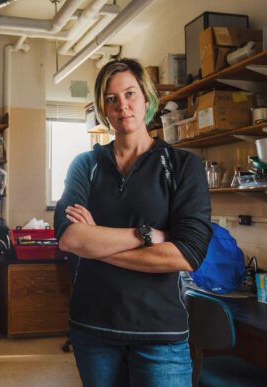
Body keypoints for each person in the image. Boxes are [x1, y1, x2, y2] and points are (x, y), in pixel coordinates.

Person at [54, 58, 212, 387]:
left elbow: (187, 254)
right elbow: (70, 238)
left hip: (160, 334)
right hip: (93, 329)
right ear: (103, 107)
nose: (122, 106)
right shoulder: (85, 165)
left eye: (130, 94)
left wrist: (95, 243)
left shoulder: (183, 166)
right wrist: (146, 235)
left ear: (147, 99)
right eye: (111, 99)